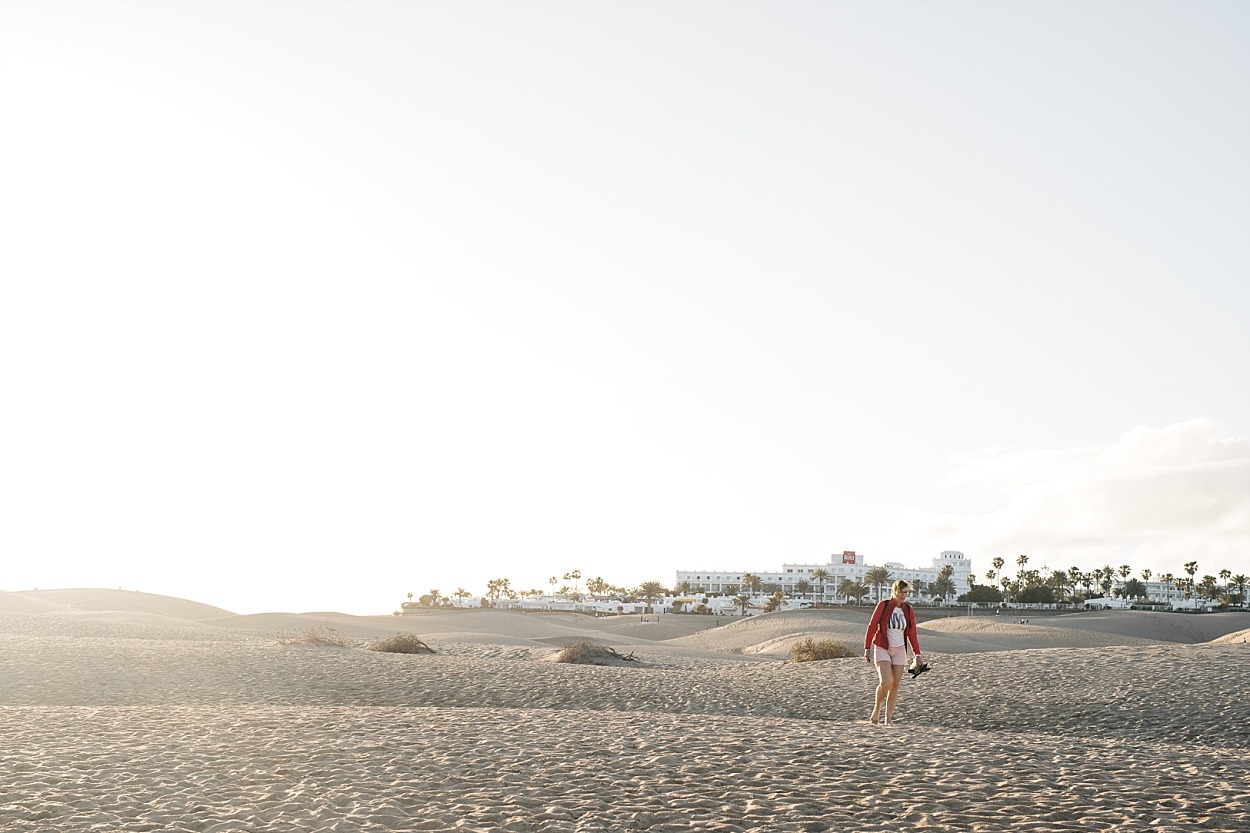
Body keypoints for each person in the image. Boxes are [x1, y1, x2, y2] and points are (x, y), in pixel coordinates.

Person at [863, 579, 922, 725]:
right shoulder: (883, 605)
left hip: (900, 649)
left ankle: (888, 719)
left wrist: (917, 654)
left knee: (895, 685)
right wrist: (867, 647)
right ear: (894, 591)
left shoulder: (908, 610)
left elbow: (912, 633)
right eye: (901, 592)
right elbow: (872, 626)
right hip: (882, 647)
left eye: (906, 593)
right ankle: (876, 710)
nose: (903, 595)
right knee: (886, 682)